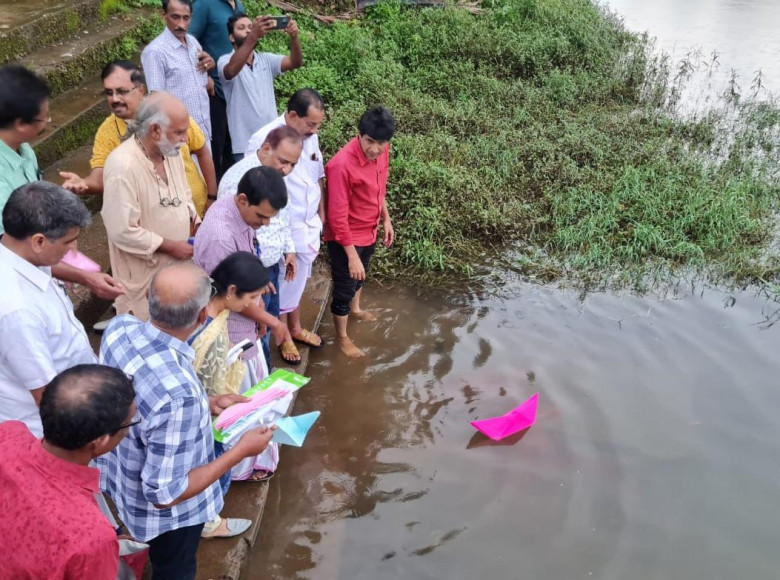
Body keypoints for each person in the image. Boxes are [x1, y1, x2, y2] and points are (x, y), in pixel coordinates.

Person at [97, 261, 274, 579]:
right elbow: (165, 493)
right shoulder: (181, 393)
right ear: (202, 316)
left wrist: (209, 402)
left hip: (120, 478)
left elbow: (145, 400)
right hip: (168, 518)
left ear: (151, 299)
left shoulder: (119, 329)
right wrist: (240, 452)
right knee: (175, 568)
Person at [0, 365, 137, 580]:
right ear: (99, 442)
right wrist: (100, 550)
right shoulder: (90, 539)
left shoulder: (7, 435)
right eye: (129, 424)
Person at [0, 64, 124, 300]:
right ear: (20, 123)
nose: (49, 121)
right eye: (44, 116)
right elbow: (16, 251)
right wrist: (81, 275)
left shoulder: (23, 148)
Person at [59, 60, 217, 218]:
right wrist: (83, 184)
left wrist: (212, 197)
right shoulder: (107, 132)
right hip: (157, 225)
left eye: (122, 91)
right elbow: (100, 178)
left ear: (141, 90)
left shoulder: (170, 113)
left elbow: (201, 150)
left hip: (198, 212)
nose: (114, 99)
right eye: (109, 93)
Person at [0, 182, 97, 436]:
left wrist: (86, 277)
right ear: (39, 241)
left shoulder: (21, 254)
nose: (72, 250)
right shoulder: (18, 310)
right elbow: (47, 396)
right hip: (48, 430)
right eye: (69, 242)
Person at [101, 92, 199, 321]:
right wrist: (170, 246)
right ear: (155, 130)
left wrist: (195, 220)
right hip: (143, 278)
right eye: (179, 132)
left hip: (176, 271)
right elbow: (121, 230)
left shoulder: (170, 152)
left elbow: (183, 193)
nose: (186, 139)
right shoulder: (122, 166)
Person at [195, 165, 302, 370]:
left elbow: (248, 260)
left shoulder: (236, 209)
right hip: (231, 333)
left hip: (246, 320)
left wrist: (259, 293)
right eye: (262, 216)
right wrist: (274, 322)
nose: (267, 223)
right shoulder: (220, 238)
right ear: (243, 200)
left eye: (271, 217)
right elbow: (232, 298)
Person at [244, 89, 326, 352]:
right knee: (281, 283)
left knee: (298, 279)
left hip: (308, 223)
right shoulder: (265, 140)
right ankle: (285, 336)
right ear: (292, 116)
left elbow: (317, 174)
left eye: (317, 125)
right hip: (280, 227)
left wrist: (321, 212)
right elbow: (254, 190)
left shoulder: (309, 136)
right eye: (310, 124)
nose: (314, 130)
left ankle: (294, 327)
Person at [217, 125, 303, 369]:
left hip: (271, 267)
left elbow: (282, 216)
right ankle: (260, 377)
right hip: (249, 273)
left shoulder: (274, 176)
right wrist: (253, 275)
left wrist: (290, 249)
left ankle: (263, 371)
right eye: (283, 161)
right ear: (265, 148)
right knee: (254, 331)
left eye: (293, 165)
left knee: (268, 321)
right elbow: (234, 235)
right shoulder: (237, 182)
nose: (286, 170)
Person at [191, 251, 279, 485]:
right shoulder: (205, 332)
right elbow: (201, 380)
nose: (250, 304)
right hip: (205, 412)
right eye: (250, 297)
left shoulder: (209, 305)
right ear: (231, 291)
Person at [324, 106, 396, 357]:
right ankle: (342, 338)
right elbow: (337, 217)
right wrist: (351, 255)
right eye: (370, 141)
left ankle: (356, 310)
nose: (375, 149)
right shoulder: (340, 165)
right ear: (359, 135)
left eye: (382, 143)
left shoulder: (382, 154)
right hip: (346, 238)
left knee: (361, 276)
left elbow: (379, 190)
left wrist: (386, 219)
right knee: (344, 288)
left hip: (370, 230)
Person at [219, 13, 303, 162]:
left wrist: (294, 37)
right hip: (244, 145)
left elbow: (295, 62)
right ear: (231, 37)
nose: (248, 31)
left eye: (251, 27)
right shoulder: (225, 61)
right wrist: (253, 36)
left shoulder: (266, 59)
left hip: (272, 140)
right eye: (241, 28)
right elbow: (230, 71)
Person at [142, 0, 215, 143]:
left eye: (186, 18)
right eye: (175, 17)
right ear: (164, 15)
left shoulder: (193, 42)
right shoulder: (155, 52)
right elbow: (157, 100)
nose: (181, 24)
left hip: (203, 131)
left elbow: (199, 79)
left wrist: (209, 68)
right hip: (179, 139)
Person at [190, 0, 246, 179]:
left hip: (237, 90)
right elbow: (188, 40)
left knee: (234, 146)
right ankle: (211, 197)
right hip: (215, 91)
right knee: (215, 148)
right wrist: (204, 77)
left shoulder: (239, 5)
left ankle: (229, 194)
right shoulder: (204, 4)